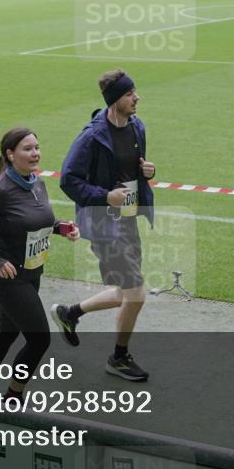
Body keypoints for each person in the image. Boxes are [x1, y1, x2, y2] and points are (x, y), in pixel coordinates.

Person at [0, 127, 79, 400]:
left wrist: (62, 228)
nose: (35, 153)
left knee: (6, 333)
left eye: (37, 147)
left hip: (32, 272)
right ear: (10, 154)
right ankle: (13, 397)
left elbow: (39, 222)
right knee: (39, 339)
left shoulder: (37, 183)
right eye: (28, 149)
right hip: (7, 279)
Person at [51, 69, 156, 382]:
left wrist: (147, 173)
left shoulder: (137, 127)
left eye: (134, 91)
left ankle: (70, 313)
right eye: (129, 94)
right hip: (103, 225)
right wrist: (105, 196)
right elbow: (68, 180)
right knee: (136, 293)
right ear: (114, 100)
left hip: (128, 219)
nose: (136, 97)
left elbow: (132, 169)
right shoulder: (91, 137)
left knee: (126, 292)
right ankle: (119, 358)